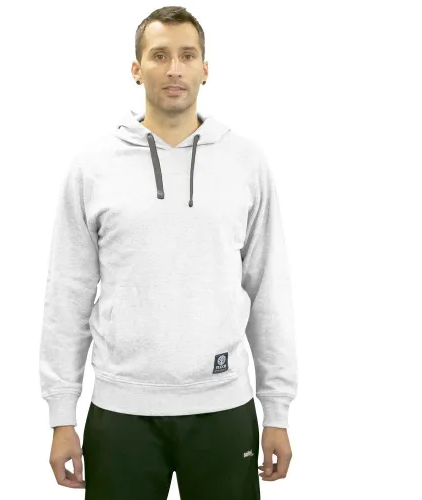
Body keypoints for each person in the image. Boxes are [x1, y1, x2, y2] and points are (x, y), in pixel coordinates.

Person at [39, 6, 298, 499]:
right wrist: (61, 414)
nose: (174, 69)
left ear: (206, 68)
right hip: (121, 411)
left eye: (187, 55)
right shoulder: (94, 165)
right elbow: (67, 293)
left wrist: (278, 411)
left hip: (223, 408)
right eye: (159, 56)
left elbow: (268, 289)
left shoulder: (245, 161)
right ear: (136, 69)